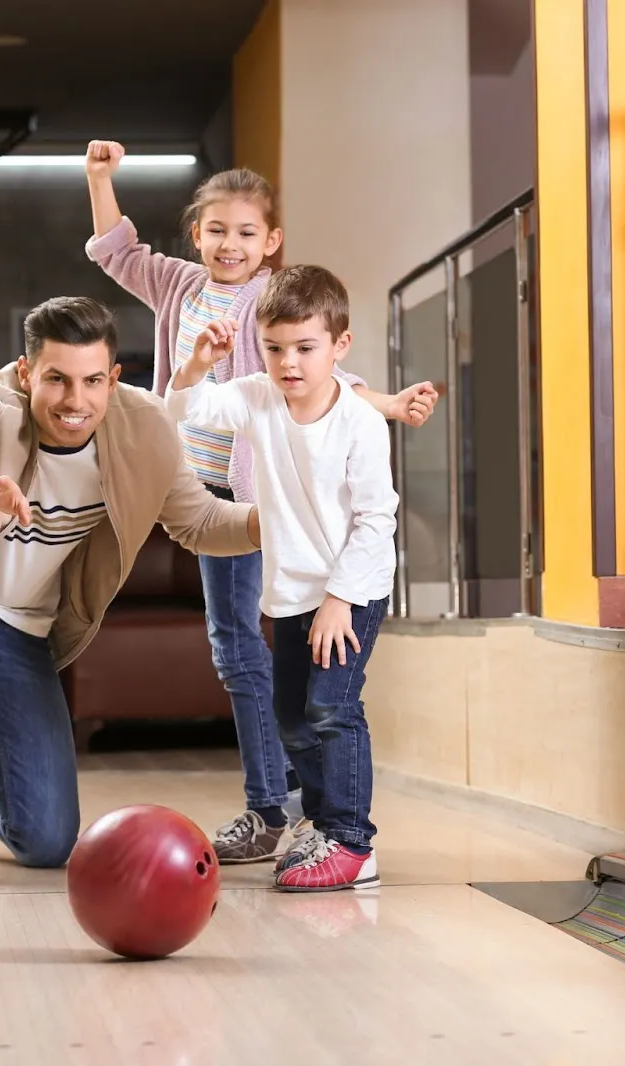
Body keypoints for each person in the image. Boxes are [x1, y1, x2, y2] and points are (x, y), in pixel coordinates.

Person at [83, 140, 435, 866]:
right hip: (195, 488)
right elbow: (118, 254)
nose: (229, 245)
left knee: (266, 661)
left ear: (270, 241)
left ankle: (283, 809)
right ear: (196, 236)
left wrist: (387, 402)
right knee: (241, 652)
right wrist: (99, 178)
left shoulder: (274, 304)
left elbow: (318, 372)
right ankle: (290, 806)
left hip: (256, 497)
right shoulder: (179, 287)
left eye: (246, 232)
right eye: (216, 231)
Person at [0, 296, 261, 889]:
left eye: (93, 381)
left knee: (45, 837)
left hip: (14, 632)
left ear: (113, 378)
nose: (75, 401)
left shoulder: (145, 429)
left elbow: (197, 522)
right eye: (57, 380)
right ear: (25, 372)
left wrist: (267, 523)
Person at [165, 265, 395, 892]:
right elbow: (185, 412)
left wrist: (341, 600)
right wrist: (195, 364)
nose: (288, 363)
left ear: (339, 346)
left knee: (331, 706)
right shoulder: (258, 398)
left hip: (352, 592)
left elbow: (377, 522)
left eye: (305, 348)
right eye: (273, 348)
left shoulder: (361, 424)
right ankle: (321, 824)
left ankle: (352, 842)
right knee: (290, 716)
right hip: (291, 593)